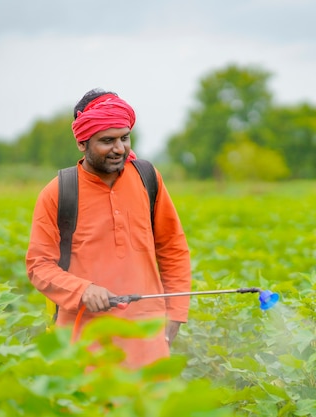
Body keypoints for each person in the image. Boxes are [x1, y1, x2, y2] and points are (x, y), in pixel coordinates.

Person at [26, 88, 192, 368]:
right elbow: (38, 265)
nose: (119, 149)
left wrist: (175, 314)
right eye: (107, 141)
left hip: (146, 336)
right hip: (84, 340)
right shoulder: (59, 192)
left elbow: (173, 248)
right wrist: (82, 290)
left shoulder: (148, 178)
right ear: (82, 142)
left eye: (124, 138)